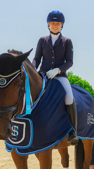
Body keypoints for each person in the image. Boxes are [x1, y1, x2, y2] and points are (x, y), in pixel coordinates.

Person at [32, 10, 78, 145]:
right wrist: (32, 69)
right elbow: (36, 58)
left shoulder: (67, 41)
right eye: (53, 23)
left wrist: (58, 70)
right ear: (48, 24)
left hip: (60, 75)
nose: (55, 25)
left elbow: (70, 61)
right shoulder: (42, 40)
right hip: (43, 75)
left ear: (61, 25)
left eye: (57, 23)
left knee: (69, 97)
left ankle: (72, 130)